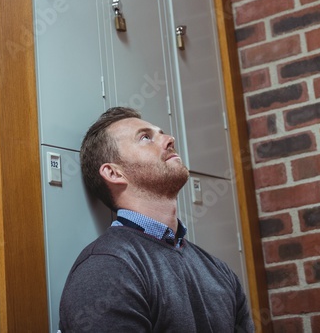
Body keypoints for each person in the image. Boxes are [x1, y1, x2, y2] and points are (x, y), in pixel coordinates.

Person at [58, 106, 254, 332]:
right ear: (114, 173)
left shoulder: (217, 269)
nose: (170, 139)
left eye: (162, 133)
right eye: (145, 137)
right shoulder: (105, 268)